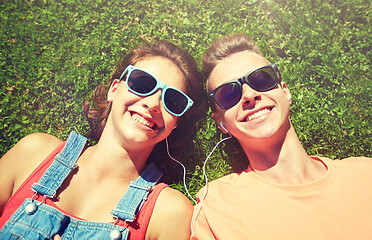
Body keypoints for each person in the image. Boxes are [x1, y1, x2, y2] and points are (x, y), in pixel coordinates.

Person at [0, 40, 204, 239]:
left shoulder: (169, 212)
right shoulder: (34, 153)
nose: (153, 104)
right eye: (143, 83)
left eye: (173, 101)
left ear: (175, 122)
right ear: (113, 89)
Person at [191, 33, 372, 240]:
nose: (249, 95)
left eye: (261, 79)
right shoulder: (215, 208)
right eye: (229, 93)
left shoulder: (366, 174)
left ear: (285, 91)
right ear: (221, 123)